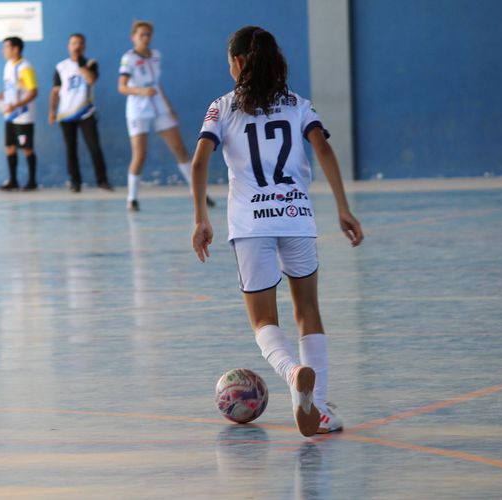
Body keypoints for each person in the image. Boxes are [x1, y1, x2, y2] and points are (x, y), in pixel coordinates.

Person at [190, 26, 364, 437]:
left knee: (264, 319)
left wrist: (201, 218)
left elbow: (199, 162)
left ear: (237, 63)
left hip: (250, 224)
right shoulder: (298, 104)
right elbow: (323, 149)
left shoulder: (223, 106)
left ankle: (291, 373)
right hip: (296, 216)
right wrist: (343, 207)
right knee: (308, 312)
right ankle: (317, 407)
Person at [118, 20, 214, 211]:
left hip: (159, 107)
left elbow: (157, 84)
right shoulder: (128, 58)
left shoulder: (156, 56)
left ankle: (196, 192)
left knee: (180, 149)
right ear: (133, 37)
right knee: (140, 155)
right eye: (141, 34)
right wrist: (141, 91)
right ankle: (132, 199)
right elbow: (121, 87)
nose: (145, 38)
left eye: (148, 34)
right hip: (138, 110)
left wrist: (169, 106)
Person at [49, 33, 112, 193]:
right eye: (73, 43)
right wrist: (52, 110)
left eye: (80, 43)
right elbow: (55, 91)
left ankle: (102, 180)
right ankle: (75, 182)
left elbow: (91, 80)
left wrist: (80, 64)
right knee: (71, 149)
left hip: (86, 112)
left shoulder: (91, 63)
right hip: (66, 113)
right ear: (69, 46)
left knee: (94, 146)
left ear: (84, 46)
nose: (76, 46)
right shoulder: (61, 67)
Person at [0, 36, 38, 191]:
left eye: (6, 47)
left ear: (16, 49)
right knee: (10, 147)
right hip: (10, 115)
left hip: (23, 116)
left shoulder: (25, 68)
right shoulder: (8, 66)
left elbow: (33, 92)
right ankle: (13, 180)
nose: (3, 51)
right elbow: (9, 89)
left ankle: (32, 181)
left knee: (26, 148)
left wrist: (16, 105)